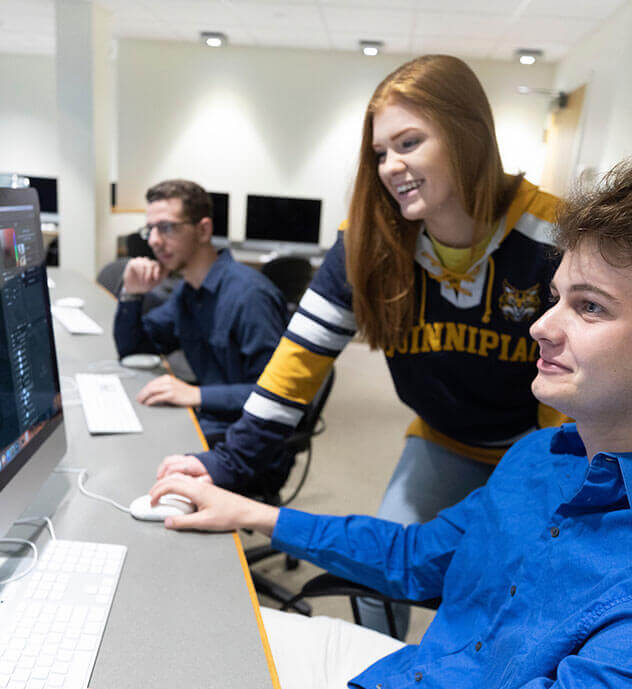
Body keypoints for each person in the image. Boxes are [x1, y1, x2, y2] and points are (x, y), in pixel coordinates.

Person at [147, 148, 632, 689]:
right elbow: (416, 558)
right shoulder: (545, 455)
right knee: (161, 635)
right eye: (556, 297)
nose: (540, 328)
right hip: (398, 682)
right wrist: (250, 511)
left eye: (590, 306)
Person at [157, 55, 565, 637]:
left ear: (467, 134)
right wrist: (231, 463)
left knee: (511, 590)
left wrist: (548, 491)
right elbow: (297, 361)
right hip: (443, 438)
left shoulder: (553, 238)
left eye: (409, 142)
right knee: (378, 578)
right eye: (380, 153)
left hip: (535, 446)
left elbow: (576, 394)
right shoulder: (369, 242)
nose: (391, 166)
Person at [113, 179, 289, 450]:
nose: (155, 241)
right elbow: (133, 348)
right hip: (213, 421)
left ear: (203, 230)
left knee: (138, 450)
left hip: (247, 440)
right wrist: (131, 294)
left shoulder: (250, 297)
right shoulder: (188, 292)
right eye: (151, 230)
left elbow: (276, 395)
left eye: (167, 228)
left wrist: (197, 394)